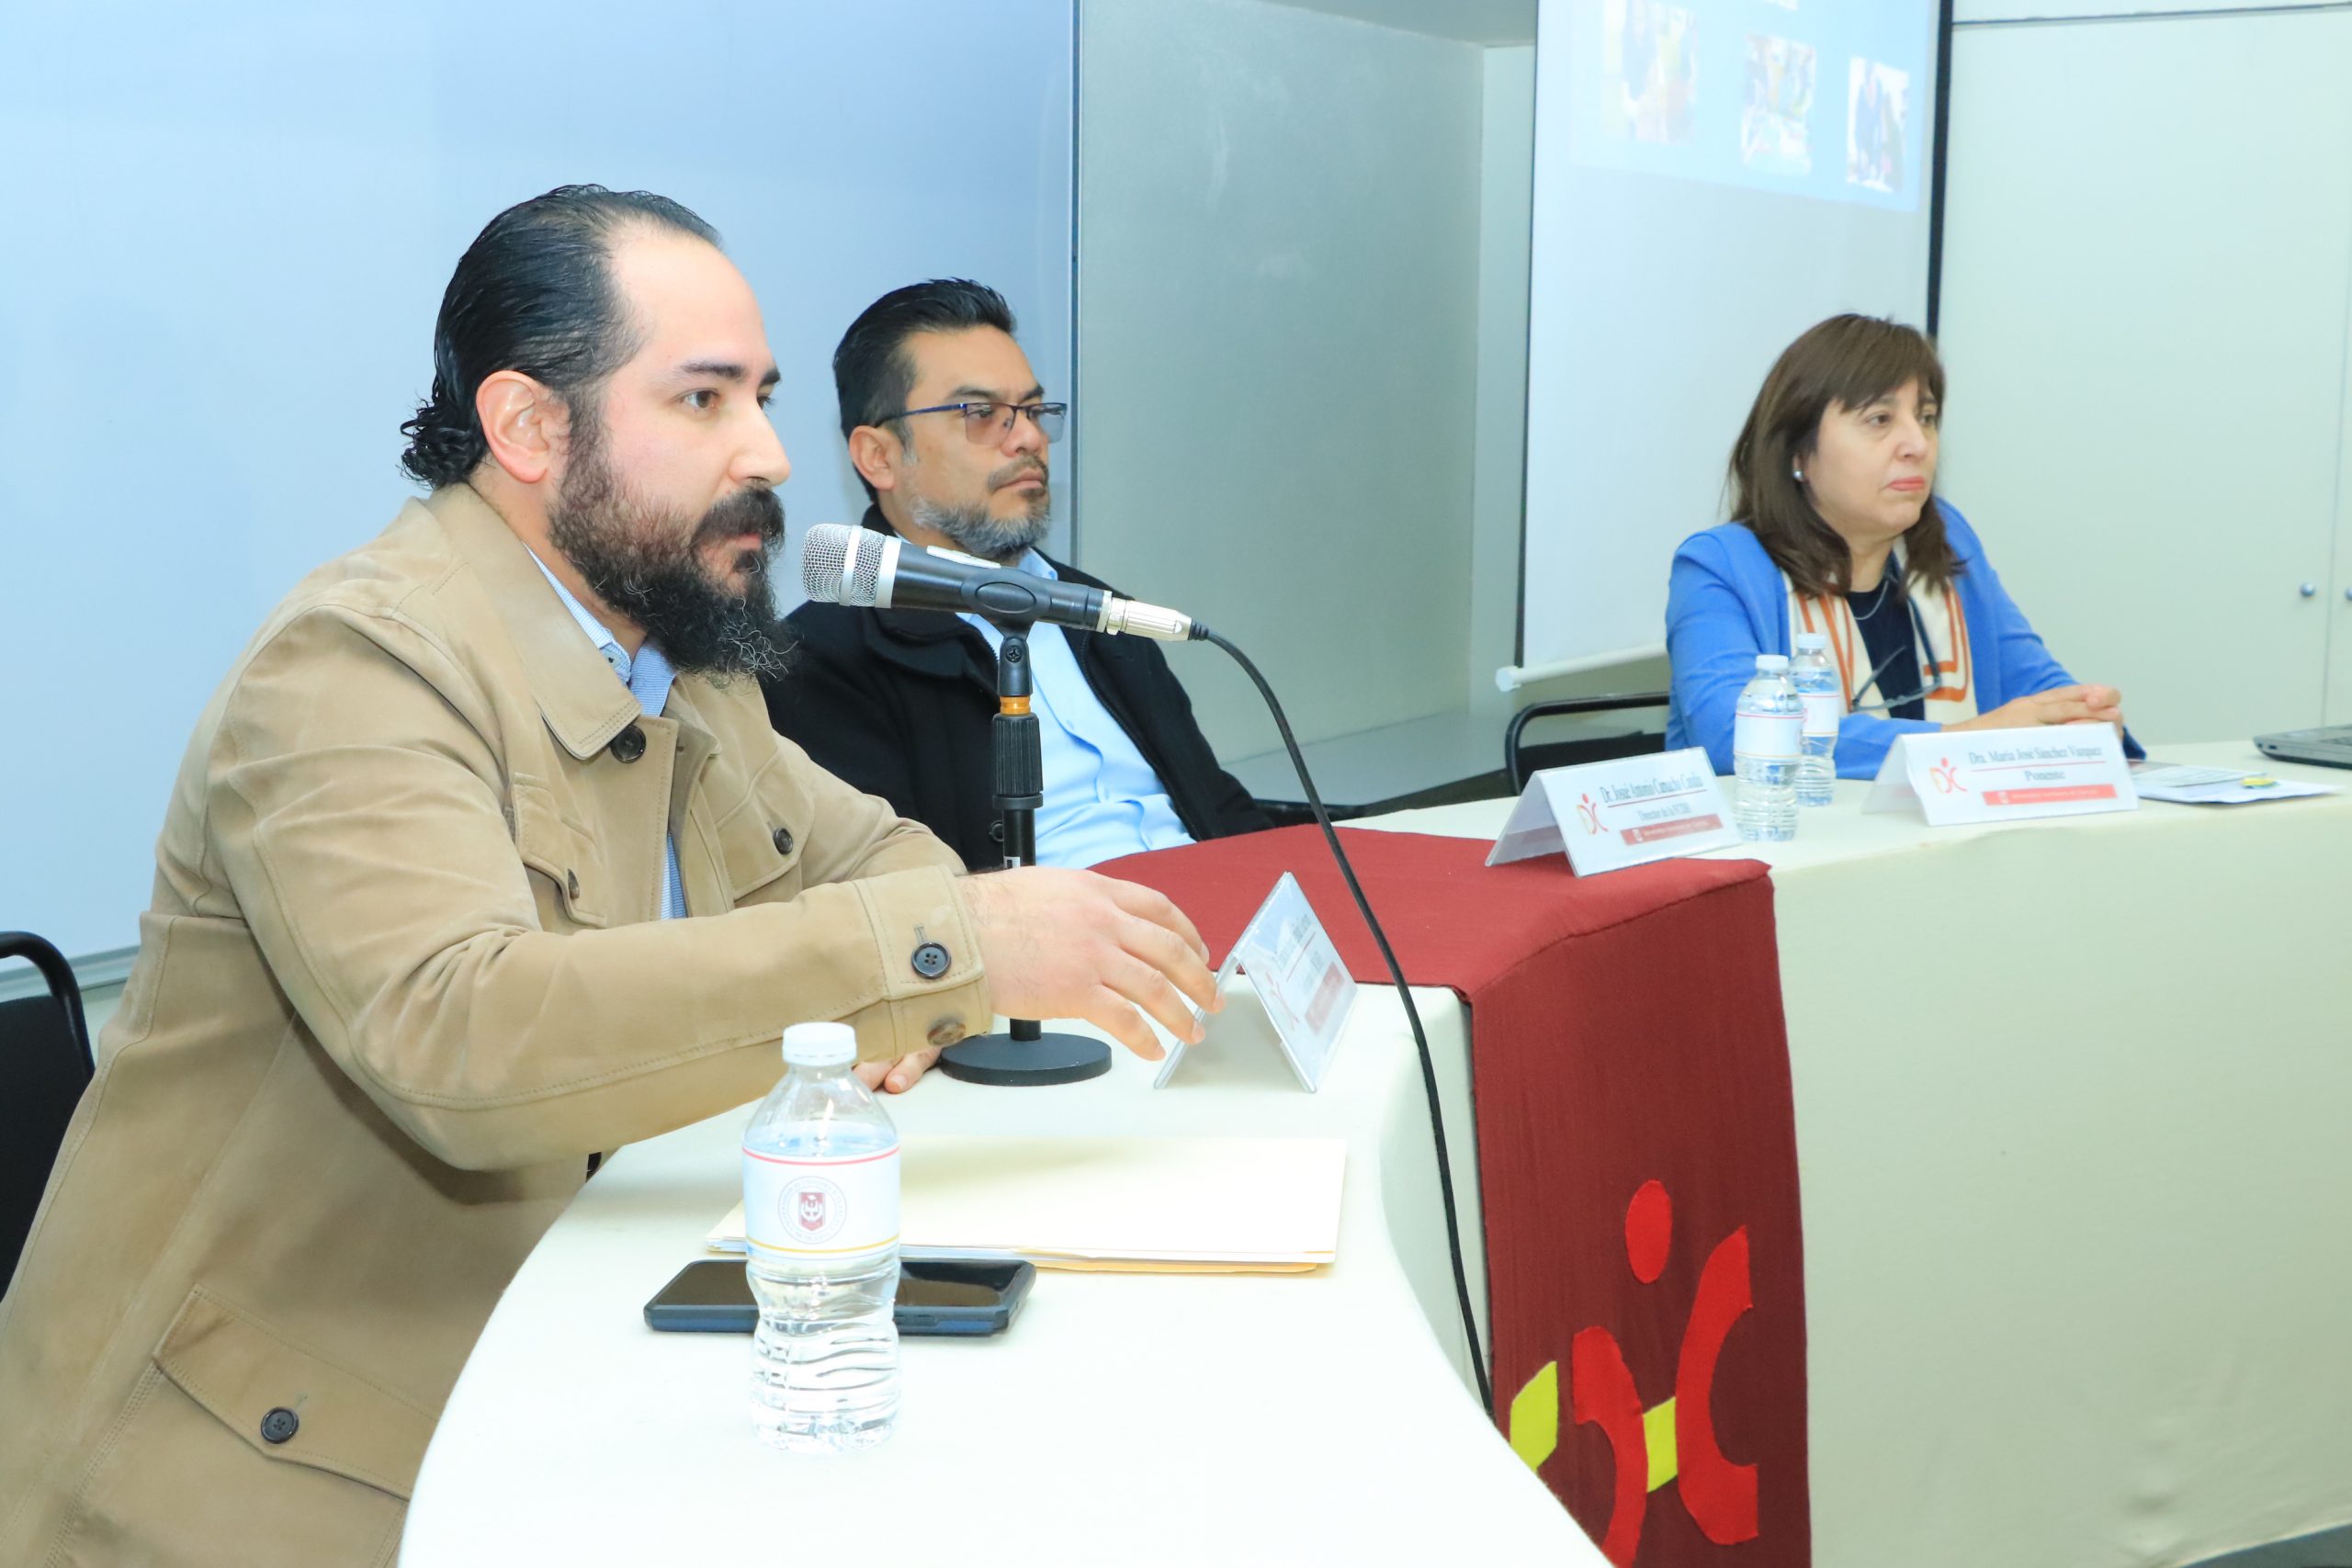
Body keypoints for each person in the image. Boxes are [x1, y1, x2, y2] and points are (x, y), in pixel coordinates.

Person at [0, 187, 1216, 1566]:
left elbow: (883, 857)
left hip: (575, 1362)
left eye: (760, 396)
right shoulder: (356, 662)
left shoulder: (680, 664)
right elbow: (459, 1032)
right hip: (251, 1472)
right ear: (530, 426)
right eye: (702, 400)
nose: (768, 453)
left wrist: (903, 971)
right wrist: (925, 958)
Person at [764, 279, 1269, 871]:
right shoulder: (817, 660)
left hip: (1217, 907)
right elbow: (898, 895)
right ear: (880, 456)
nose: (1029, 438)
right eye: (981, 414)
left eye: (1032, 411)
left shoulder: (1102, 612)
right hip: (1047, 926)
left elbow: (1219, 808)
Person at [1665, 313, 2135, 778]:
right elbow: (1736, 734)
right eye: (1879, 419)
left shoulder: (1949, 540)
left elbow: (2032, 685)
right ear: (1798, 452)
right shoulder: (1719, 565)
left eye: (1926, 418)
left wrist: (2082, 717)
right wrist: (1966, 741)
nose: (1918, 444)